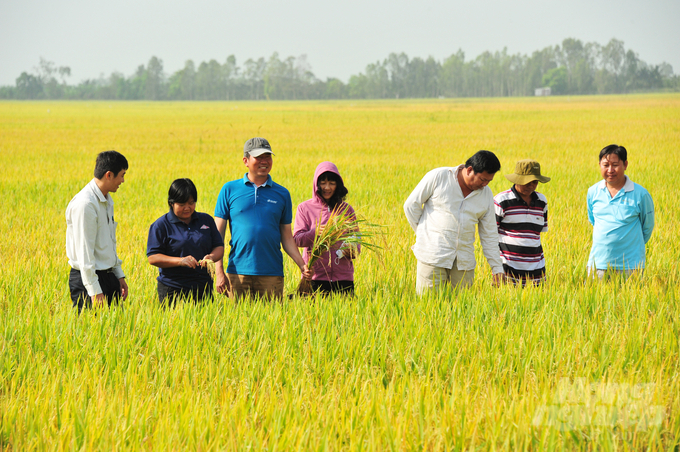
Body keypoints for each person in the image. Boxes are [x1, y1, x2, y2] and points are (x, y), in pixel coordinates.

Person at [213, 137, 312, 300]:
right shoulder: (229, 190)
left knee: (271, 322)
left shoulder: (282, 194)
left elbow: (287, 237)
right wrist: (219, 272)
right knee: (238, 322)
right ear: (245, 160)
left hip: (271, 274)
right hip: (237, 273)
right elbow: (217, 237)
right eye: (258, 157)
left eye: (268, 157)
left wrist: (302, 265)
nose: (264, 162)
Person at [404, 150, 505, 294]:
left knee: (462, 309)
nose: (485, 184)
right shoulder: (439, 177)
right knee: (428, 306)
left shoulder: (486, 194)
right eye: (482, 179)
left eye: (489, 181)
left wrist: (497, 267)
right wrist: (423, 234)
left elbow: (489, 233)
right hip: (433, 256)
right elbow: (411, 205)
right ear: (469, 170)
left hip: (464, 262)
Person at [65, 150, 129, 312]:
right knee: (90, 333)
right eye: (121, 175)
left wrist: (118, 274)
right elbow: (84, 252)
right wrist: (94, 290)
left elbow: (108, 243)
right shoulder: (86, 205)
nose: (122, 180)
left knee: (115, 331)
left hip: (108, 276)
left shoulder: (106, 200)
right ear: (109, 175)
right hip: (88, 280)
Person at [147, 178, 225, 305]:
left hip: (202, 287)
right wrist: (180, 261)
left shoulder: (205, 220)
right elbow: (153, 257)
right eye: (182, 204)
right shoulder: (161, 225)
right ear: (171, 203)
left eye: (191, 203)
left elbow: (218, 247)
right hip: (172, 288)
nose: (187, 208)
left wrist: (211, 257)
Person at [587, 144, 654, 279]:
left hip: (630, 266)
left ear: (625, 164)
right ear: (599, 165)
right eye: (606, 165)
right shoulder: (593, 192)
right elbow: (593, 221)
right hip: (598, 263)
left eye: (615, 165)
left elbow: (647, 227)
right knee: (594, 300)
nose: (610, 170)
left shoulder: (640, 194)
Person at [294, 162, 360, 295]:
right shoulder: (305, 208)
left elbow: (357, 240)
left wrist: (352, 250)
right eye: (323, 183)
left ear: (338, 185)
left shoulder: (346, 210)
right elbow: (297, 239)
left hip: (343, 278)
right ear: (316, 184)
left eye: (332, 183)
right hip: (314, 277)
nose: (327, 187)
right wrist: (315, 233)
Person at [494, 159, 550, 285]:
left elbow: (537, 234)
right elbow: (490, 236)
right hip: (508, 270)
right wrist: (496, 270)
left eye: (535, 182)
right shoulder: (501, 201)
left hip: (537, 270)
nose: (531, 186)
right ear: (516, 180)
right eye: (527, 182)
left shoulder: (542, 201)